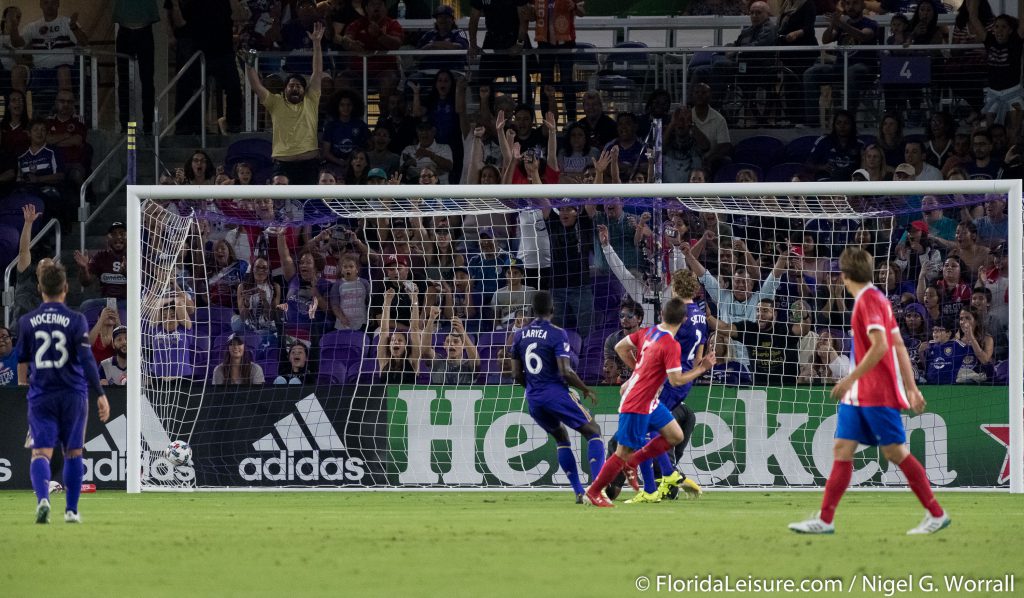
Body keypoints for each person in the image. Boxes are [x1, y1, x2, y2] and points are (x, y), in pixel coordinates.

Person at [789, 247, 949, 535]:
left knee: (895, 452)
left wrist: (851, 380)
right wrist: (911, 388)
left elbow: (882, 347)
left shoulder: (869, 301)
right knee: (843, 448)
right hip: (860, 393)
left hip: (875, 390)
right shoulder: (876, 299)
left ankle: (936, 514)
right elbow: (898, 345)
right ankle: (825, 520)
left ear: (845, 275)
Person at [582, 297, 715, 507]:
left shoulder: (649, 332)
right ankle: (594, 490)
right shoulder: (671, 344)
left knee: (675, 435)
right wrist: (702, 368)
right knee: (622, 452)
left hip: (651, 400)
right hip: (638, 401)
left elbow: (620, 347)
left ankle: (633, 464)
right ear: (684, 319)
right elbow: (676, 380)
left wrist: (638, 371)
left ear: (661, 314)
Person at [18, 260, 109, 524]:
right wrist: (101, 393)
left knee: (41, 453)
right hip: (72, 393)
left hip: (42, 394)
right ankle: (70, 510)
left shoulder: (27, 321)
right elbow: (86, 359)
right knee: (73, 452)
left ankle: (43, 500)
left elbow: (23, 359)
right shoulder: (76, 319)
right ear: (66, 288)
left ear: (39, 288)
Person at [511, 291, 603, 503]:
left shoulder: (519, 335)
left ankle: (579, 491)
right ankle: (597, 488)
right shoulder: (557, 333)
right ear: (553, 310)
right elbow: (565, 371)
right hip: (554, 393)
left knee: (561, 437)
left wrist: (534, 388)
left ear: (531, 311)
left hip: (533, 398)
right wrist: (584, 389)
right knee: (593, 431)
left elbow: (516, 374)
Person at [246, 22, 325, 185]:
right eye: (291, 85)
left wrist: (316, 43)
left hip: (309, 163)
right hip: (283, 164)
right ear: (284, 90)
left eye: (298, 86)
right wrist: (249, 64)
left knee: (307, 205)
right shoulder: (275, 102)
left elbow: (317, 72)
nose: (295, 88)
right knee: (279, 199)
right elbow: (256, 85)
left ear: (305, 90)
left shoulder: (311, 100)